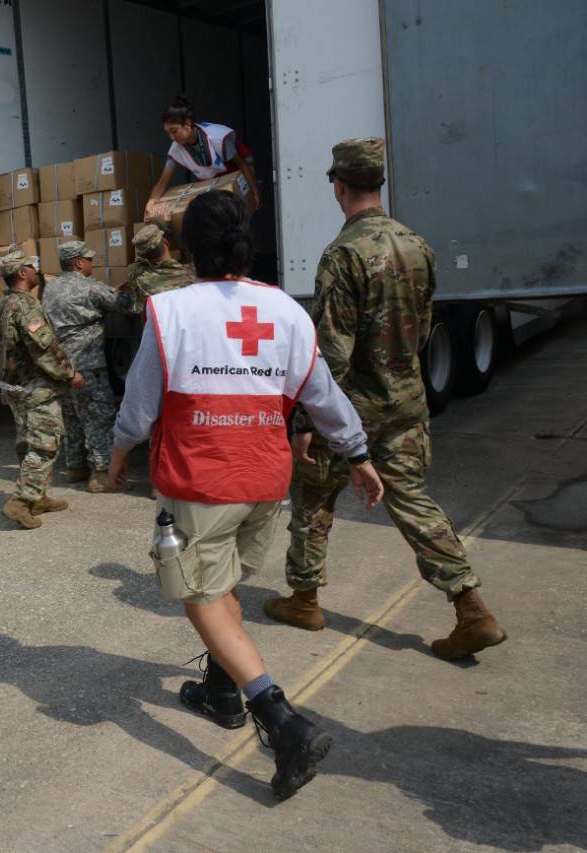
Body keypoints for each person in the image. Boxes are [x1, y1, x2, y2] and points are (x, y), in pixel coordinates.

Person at [107, 192, 384, 800]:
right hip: (264, 481)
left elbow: (140, 403)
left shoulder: (169, 310)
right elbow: (322, 392)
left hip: (200, 479)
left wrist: (120, 449)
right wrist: (357, 453)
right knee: (224, 579)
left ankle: (279, 718)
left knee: (201, 594)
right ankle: (222, 690)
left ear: (184, 249)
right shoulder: (284, 309)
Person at [264, 138, 508, 661]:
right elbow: (420, 332)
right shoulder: (418, 244)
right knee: (412, 499)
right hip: (407, 400)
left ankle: (305, 598)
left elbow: (331, 351)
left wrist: (305, 418)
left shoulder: (343, 254)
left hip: (353, 408)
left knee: (312, 496)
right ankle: (471, 606)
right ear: (378, 183)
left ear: (339, 185)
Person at [0, 249, 85, 529]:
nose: (38, 270)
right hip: (36, 389)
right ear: (22, 273)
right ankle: (21, 502)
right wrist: (70, 373)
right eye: (33, 266)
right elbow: (44, 348)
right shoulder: (26, 306)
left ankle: (38, 497)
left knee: (27, 444)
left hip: (16, 387)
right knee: (45, 445)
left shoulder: (4, 305)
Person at [41, 240, 133, 492]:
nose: (93, 262)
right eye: (89, 258)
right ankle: (102, 475)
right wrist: (122, 292)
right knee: (98, 418)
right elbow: (124, 304)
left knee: (72, 418)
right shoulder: (90, 287)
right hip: (88, 364)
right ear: (79, 263)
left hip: (61, 366)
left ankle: (75, 467)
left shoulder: (50, 288)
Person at [144, 95, 261, 221]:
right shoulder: (176, 148)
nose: (171, 137)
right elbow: (163, 181)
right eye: (168, 133)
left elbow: (241, 164)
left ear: (187, 124)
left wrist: (255, 192)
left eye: (174, 131)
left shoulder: (217, 138)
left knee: (233, 213)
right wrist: (150, 204)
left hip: (238, 172)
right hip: (215, 180)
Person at [126, 223, 195, 312]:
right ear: (166, 242)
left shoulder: (139, 279)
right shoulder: (191, 275)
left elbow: (137, 262)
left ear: (143, 256)